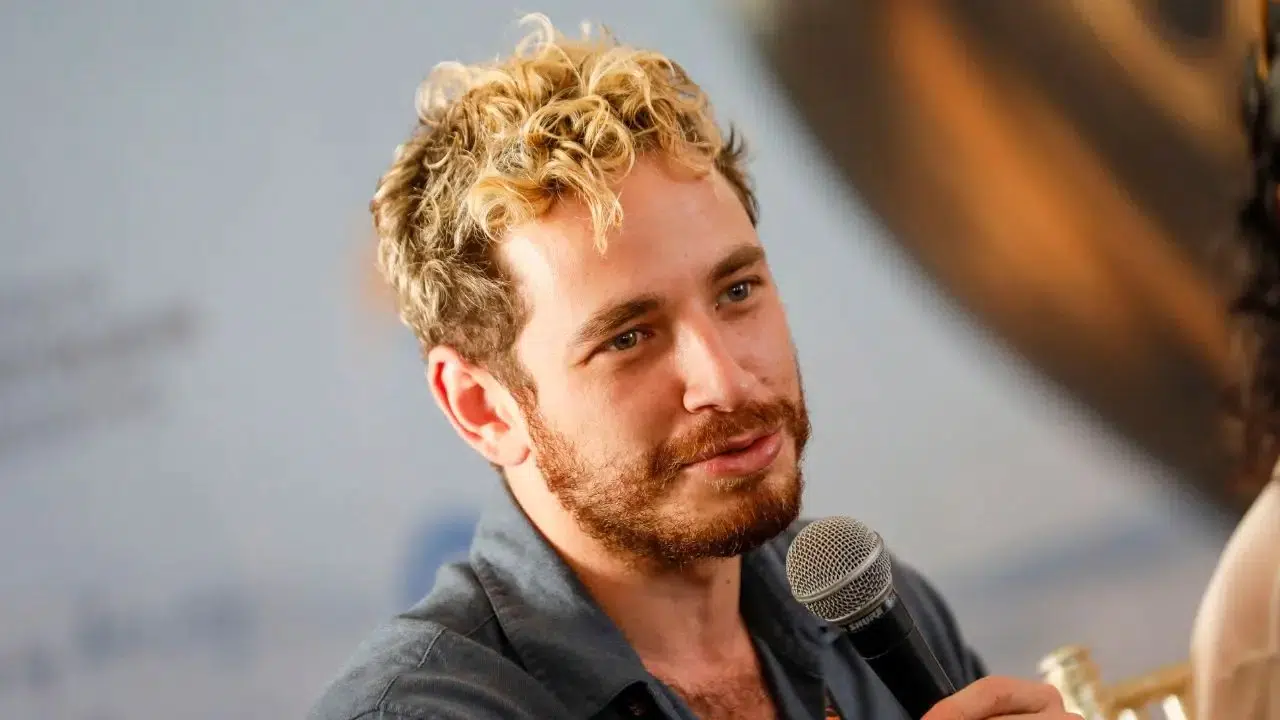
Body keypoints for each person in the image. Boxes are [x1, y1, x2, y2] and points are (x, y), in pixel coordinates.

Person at [309, 15, 1077, 720]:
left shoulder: (869, 609)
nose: (726, 381)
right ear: (482, 407)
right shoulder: (420, 713)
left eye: (737, 291)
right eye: (628, 338)